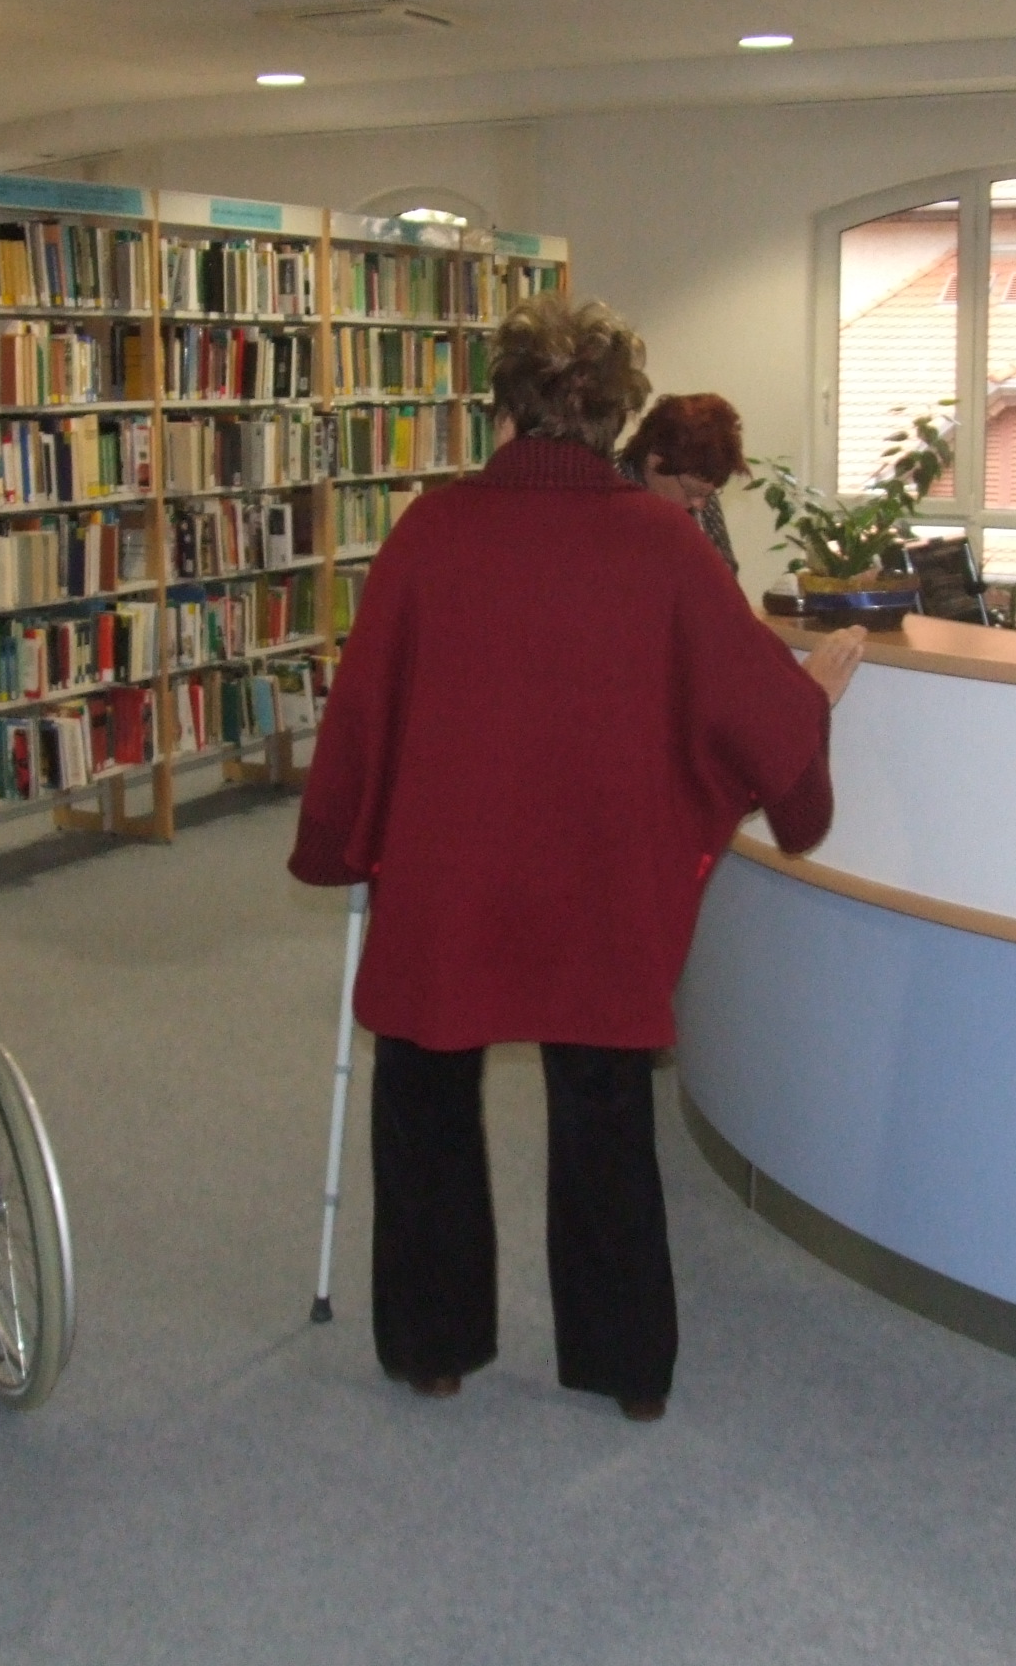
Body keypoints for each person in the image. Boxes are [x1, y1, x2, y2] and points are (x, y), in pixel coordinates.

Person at [289, 296, 865, 1423]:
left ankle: (435, 1346)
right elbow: (753, 705)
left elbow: (364, 709)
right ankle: (625, 1366)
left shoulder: (431, 531)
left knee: (425, 1097)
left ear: (503, 408)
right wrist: (808, 715)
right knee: (604, 1112)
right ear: (613, 417)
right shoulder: (664, 544)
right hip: (597, 885)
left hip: (449, 880)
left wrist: (337, 839)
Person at [617, 392, 745, 571]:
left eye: (708, 494)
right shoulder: (605, 492)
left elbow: (724, 573)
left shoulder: (700, 496)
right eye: (693, 492)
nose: (700, 505)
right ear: (655, 460)